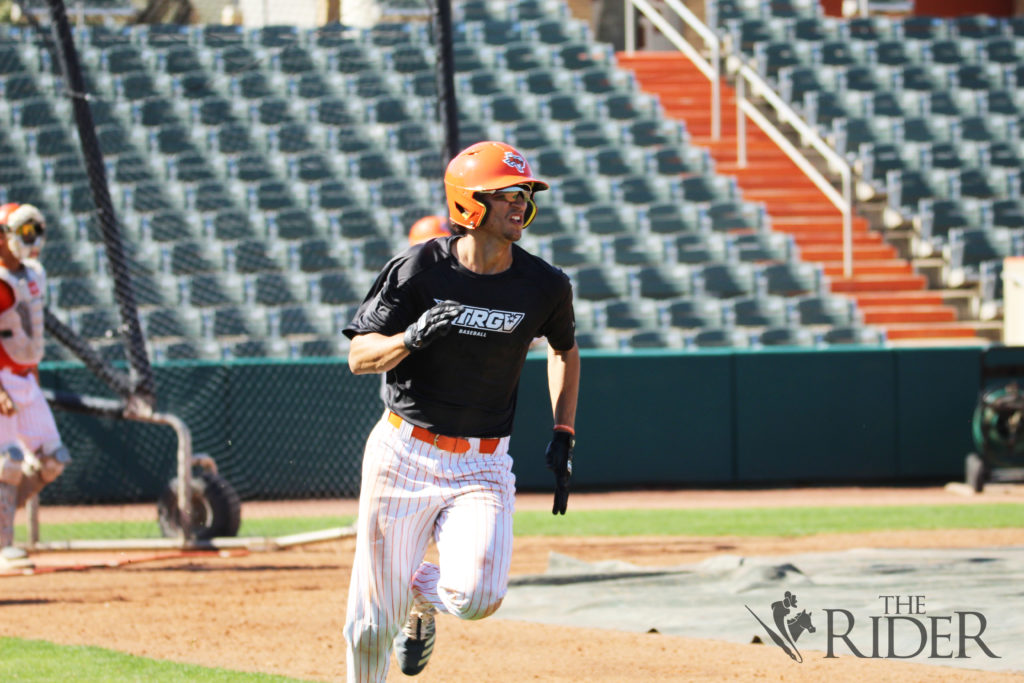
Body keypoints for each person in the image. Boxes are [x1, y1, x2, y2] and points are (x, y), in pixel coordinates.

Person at [341, 141, 580, 682]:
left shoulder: (544, 284)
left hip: (482, 461)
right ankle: (395, 602)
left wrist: (564, 430)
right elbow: (359, 356)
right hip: (403, 452)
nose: (521, 205)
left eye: (525, 194)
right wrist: (411, 336)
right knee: (369, 625)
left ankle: (417, 591)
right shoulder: (418, 268)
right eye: (507, 195)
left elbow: (565, 350)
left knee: (476, 597)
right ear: (470, 204)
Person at [0, 203, 71, 571]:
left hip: (27, 378)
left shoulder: (35, 275)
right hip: (3, 381)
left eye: (34, 232)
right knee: (7, 461)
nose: (31, 241)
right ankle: (2, 545)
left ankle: (3, 526)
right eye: (23, 232)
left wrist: (35, 380)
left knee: (53, 458)